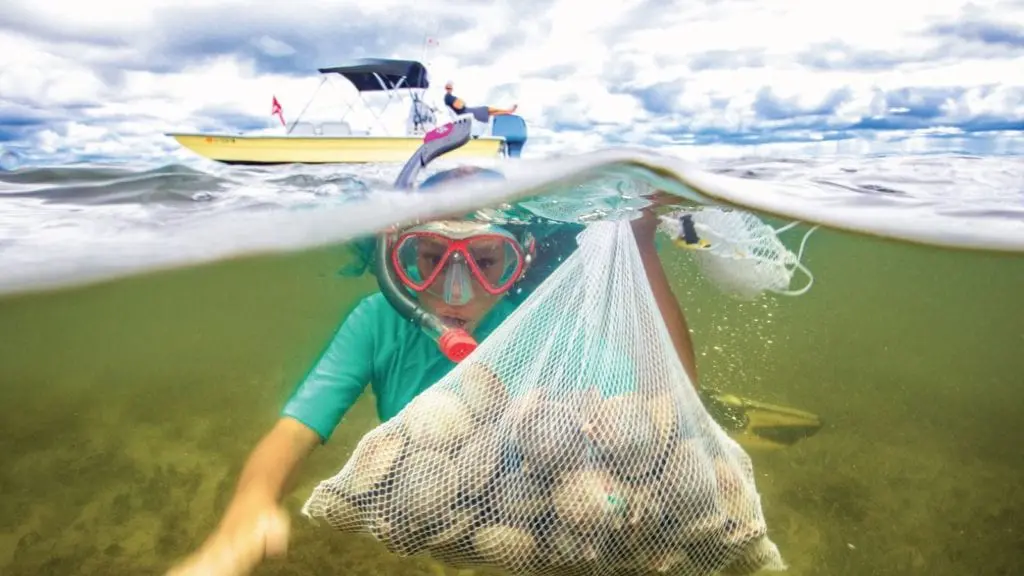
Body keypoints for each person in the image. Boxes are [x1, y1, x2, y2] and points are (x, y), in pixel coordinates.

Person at [165, 168, 699, 576]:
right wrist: (249, 504)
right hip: (448, 507)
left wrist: (642, 246)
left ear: (518, 263)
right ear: (397, 259)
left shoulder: (537, 333)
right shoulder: (376, 323)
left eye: (487, 262)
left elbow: (670, 405)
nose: (455, 291)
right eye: (431, 257)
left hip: (531, 512)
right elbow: (293, 429)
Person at [443, 80, 519, 123]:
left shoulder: (449, 97)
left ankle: (508, 111)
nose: (450, 88)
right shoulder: (448, 97)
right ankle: (507, 111)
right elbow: (459, 106)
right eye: (449, 87)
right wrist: (462, 101)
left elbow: (458, 105)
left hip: (466, 110)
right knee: (486, 109)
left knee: (488, 112)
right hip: (465, 112)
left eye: (450, 87)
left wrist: (461, 102)